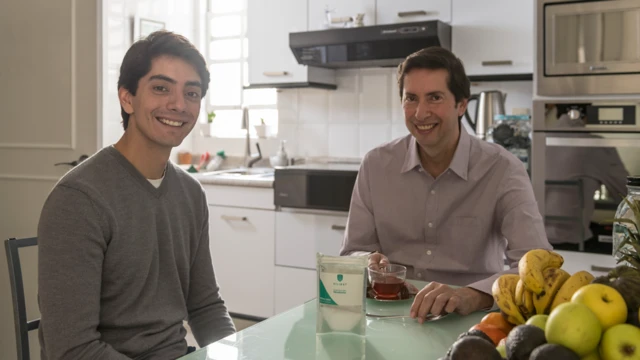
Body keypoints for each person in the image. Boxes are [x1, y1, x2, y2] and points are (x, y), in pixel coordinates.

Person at [37, 31, 235, 360]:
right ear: (127, 98)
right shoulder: (79, 199)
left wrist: (237, 353)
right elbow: (71, 348)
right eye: (161, 88)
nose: (179, 104)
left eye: (192, 92)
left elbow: (205, 307)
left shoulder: (191, 194)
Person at [339, 46, 552, 324]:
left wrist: (474, 295)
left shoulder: (502, 169)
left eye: (435, 98)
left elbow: (538, 264)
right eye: (411, 99)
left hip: (473, 319)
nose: (420, 112)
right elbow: (352, 251)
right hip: (389, 316)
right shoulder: (376, 165)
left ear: (461, 104)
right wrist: (367, 262)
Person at [544, 106, 629, 251]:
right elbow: (627, 195)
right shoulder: (594, 144)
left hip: (532, 241)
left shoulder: (536, 141)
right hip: (571, 240)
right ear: (586, 114)